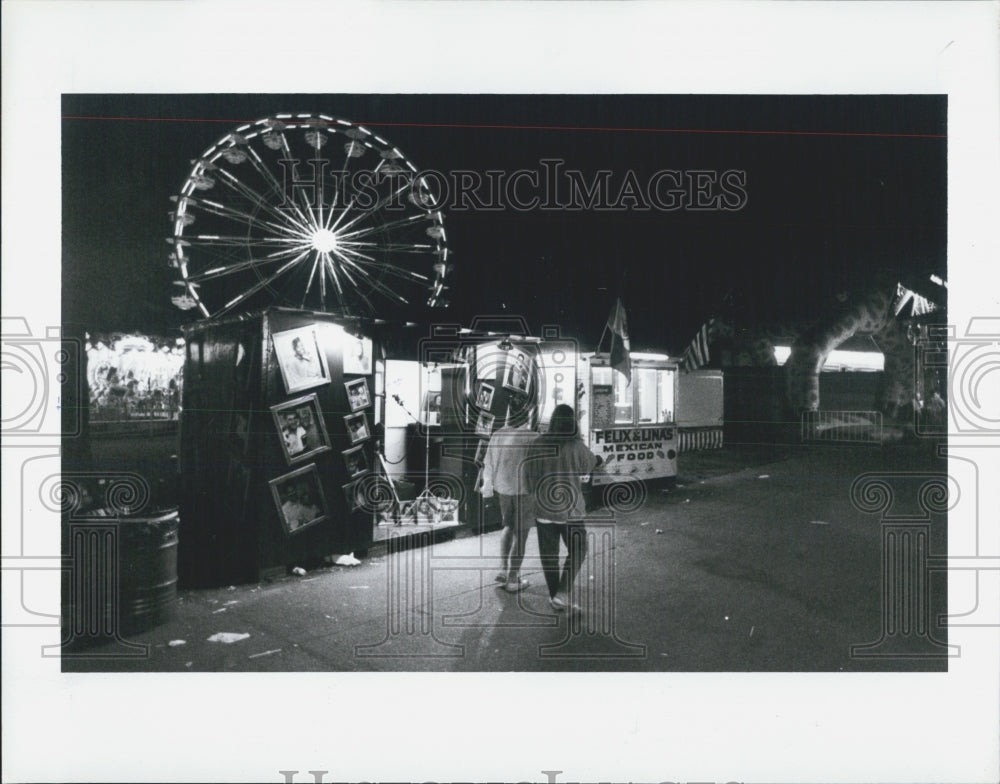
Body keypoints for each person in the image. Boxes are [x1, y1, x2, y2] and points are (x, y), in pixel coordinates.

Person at [524, 403, 601, 611]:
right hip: (571, 511)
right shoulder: (578, 448)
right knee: (579, 549)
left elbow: (528, 480)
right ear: (573, 423)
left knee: (549, 555)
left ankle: (555, 597)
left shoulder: (537, 444)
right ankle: (563, 591)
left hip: (543, 510)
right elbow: (590, 467)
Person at [480, 401, 536, 593]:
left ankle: (504, 570)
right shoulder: (532, 437)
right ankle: (513, 579)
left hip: (503, 490)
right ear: (527, 415)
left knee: (508, 526)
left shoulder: (497, 435)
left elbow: (488, 463)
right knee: (521, 534)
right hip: (525, 490)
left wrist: (487, 488)